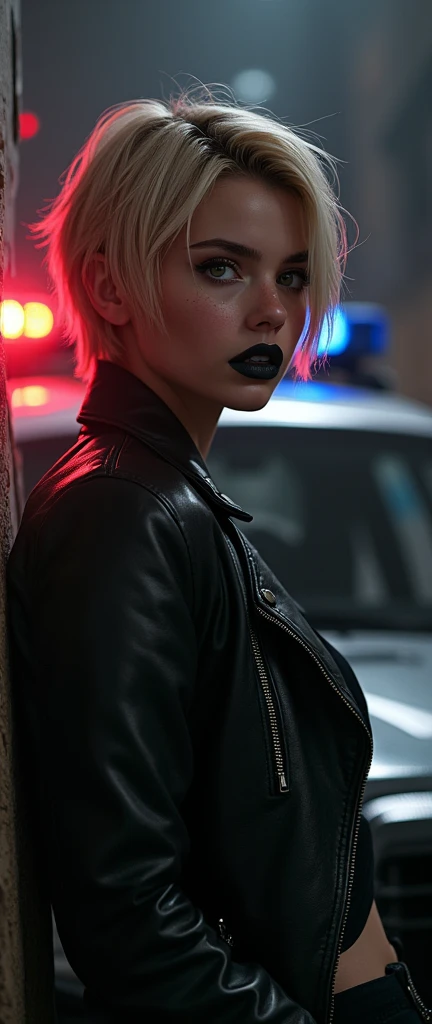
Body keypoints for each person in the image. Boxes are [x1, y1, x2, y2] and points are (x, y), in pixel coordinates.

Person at [7, 89, 430, 1024]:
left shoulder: (169, 501)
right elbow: (127, 914)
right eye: (221, 268)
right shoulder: (124, 515)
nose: (272, 312)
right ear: (111, 286)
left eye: (289, 276)